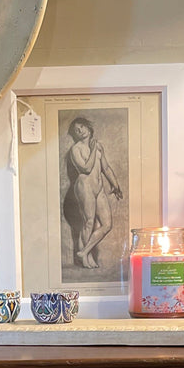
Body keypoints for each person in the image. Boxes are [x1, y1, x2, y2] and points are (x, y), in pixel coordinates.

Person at [62, 116, 123, 270]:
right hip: (84, 187)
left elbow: (106, 168)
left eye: (82, 126)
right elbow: (86, 168)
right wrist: (94, 149)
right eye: (76, 130)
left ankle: (83, 252)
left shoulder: (98, 145)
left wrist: (115, 185)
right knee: (88, 222)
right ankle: (86, 258)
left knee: (107, 224)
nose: (80, 131)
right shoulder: (75, 149)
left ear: (88, 127)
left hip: (99, 187)